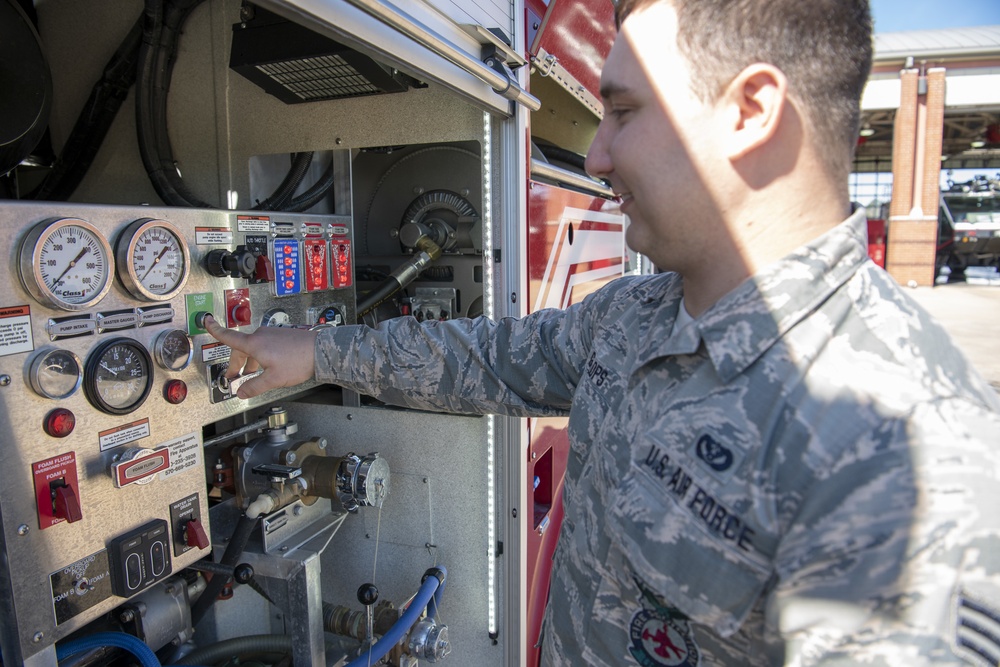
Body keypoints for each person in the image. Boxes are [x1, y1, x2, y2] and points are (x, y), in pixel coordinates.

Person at [204, 0, 1000, 663]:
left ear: (751, 113)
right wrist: (314, 348)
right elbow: (486, 357)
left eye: (622, 112)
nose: (594, 155)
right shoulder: (640, 314)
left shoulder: (910, 452)